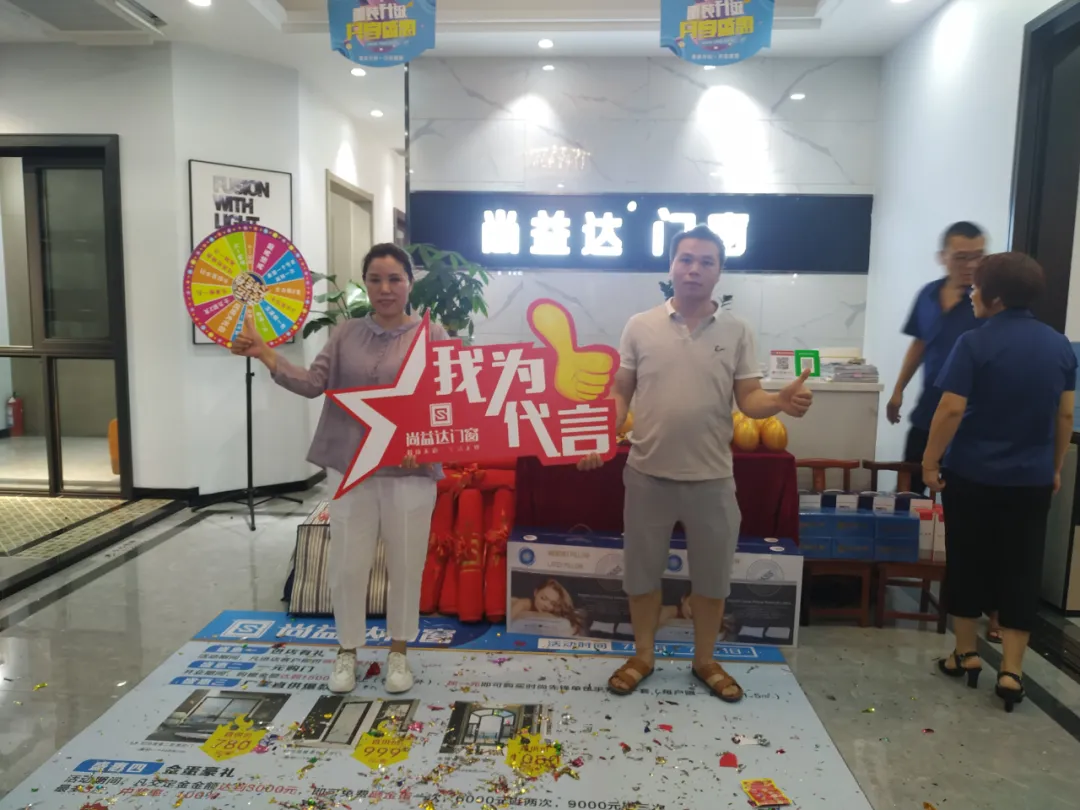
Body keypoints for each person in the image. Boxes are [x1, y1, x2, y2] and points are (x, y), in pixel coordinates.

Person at [578, 225, 813, 702]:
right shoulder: (639, 325)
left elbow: (749, 399)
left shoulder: (737, 330)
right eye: (686, 259)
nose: (694, 269)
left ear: (719, 271)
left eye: (706, 261)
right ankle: (643, 656)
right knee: (641, 575)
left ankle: (705, 660)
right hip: (647, 474)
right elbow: (620, 392)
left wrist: (779, 402)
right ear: (671, 266)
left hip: (712, 479)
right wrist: (598, 435)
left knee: (712, 579)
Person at [231, 243, 448, 695]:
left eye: (394, 279)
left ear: (410, 283)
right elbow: (314, 383)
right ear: (364, 284)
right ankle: (347, 650)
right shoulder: (346, 333)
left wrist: (422, 442)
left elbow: (448, 401)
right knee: (349, 566)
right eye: (375, 279)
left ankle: (399, 653)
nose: (385, 289)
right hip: (352, 469)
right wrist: (266, 353)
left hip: (410, 473)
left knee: (407, 566)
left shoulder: (433, 334)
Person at [922, 252, 1076, 713]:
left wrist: (929, 462)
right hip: (1030, 479)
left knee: (967, 558)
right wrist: (1054, 467)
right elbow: (1065, 414)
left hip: (973, 474)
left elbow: (951, 408)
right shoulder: (1059, 346)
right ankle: (1011, 671)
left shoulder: (974, 342)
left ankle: (965, 654)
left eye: (976, 288)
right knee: (1021, 567)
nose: (971, 294)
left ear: (995, 296)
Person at [886, 222, 1003, 642]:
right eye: (961, 257)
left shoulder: (991, 301)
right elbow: (919, 345)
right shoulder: (928, 296)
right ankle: (902, 585)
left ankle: (992, 608)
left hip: (973, 425)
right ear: (943, 258)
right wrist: (898, 390)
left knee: (978, 519)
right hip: (927, 418)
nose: (970, 265)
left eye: (978, 256)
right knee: (912, 503)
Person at [510, 579, 586, 635]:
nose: (546, 605)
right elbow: (508, 621)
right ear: (536, 592)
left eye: (553, 603)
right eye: (543, 598)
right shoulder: (525, 603)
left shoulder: (554, 615)